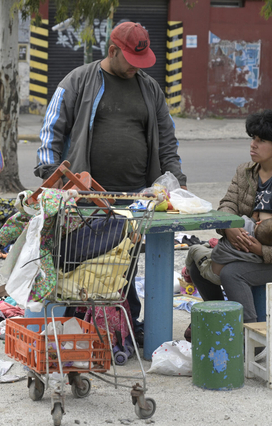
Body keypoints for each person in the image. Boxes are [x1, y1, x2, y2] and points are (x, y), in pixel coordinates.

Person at [34, 21, 188, 344]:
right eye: (131, 61)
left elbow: (168, 141)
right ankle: (78, 327)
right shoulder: (78, 80)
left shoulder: (150, 89)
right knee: (85, 265)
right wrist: (50, 173)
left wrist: (176, 182)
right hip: (87, 199)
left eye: (141, 63)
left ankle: (123, 327)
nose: (136, 69)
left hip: (136, 200)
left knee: (124, 266)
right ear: (113, 51)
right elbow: (52, 127)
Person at [185, 109, 272, 340]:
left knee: (231, 274)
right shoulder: (245, 172)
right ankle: (223, 316)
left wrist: (263, 250)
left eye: (261, 141)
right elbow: (227, 204)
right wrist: (229, 227)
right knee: (196, 261)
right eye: (253, 139)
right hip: (244, 249)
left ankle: (249, 338)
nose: (253, 145)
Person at [186, 213, 272, 285]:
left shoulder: (242, 224)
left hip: (213, 272)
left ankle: (186, 271)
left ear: (259, 222)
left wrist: (252, 218)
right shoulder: (259, 247)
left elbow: (235, 219)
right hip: (228, 264)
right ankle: (208, 246)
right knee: (210, 249)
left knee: (195, 248)